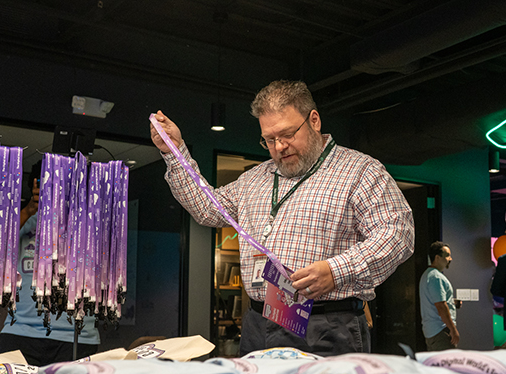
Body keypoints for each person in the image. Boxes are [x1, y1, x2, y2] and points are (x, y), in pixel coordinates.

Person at [150, 80, 414, 357]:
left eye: (287, 134)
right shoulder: (255, 178)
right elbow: (207, 208)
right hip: (258, 322)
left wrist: (336, 271)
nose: (279, 146)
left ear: (314, 120)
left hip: (326, 325)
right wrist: (173, 151)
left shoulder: (360, 171)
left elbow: (397, 234)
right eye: (269, 139)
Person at [0, 159, 100, 366]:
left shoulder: (89, 222)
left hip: (76, 336)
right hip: (20, 332)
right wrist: (28, 210)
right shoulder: (22, 220)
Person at [419, 242, 459, 351]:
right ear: (437, 257)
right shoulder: (436, 277)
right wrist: (453, 329)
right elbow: (441, 306)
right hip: (441, 331)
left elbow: (435, 301)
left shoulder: (427, 275)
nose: (450, 259)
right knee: (446, 361)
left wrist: (452, 302)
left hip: (432, 331)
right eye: (447, 255)